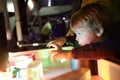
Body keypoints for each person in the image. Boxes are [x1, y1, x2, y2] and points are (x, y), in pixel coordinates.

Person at [48, 2, 120, 65]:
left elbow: (92, 51)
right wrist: (64, 43)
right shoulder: (97, 41)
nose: (76, 38)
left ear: (97, 31)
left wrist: (67, 55)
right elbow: (82, 48)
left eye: (79, 33)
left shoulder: (110, 45)